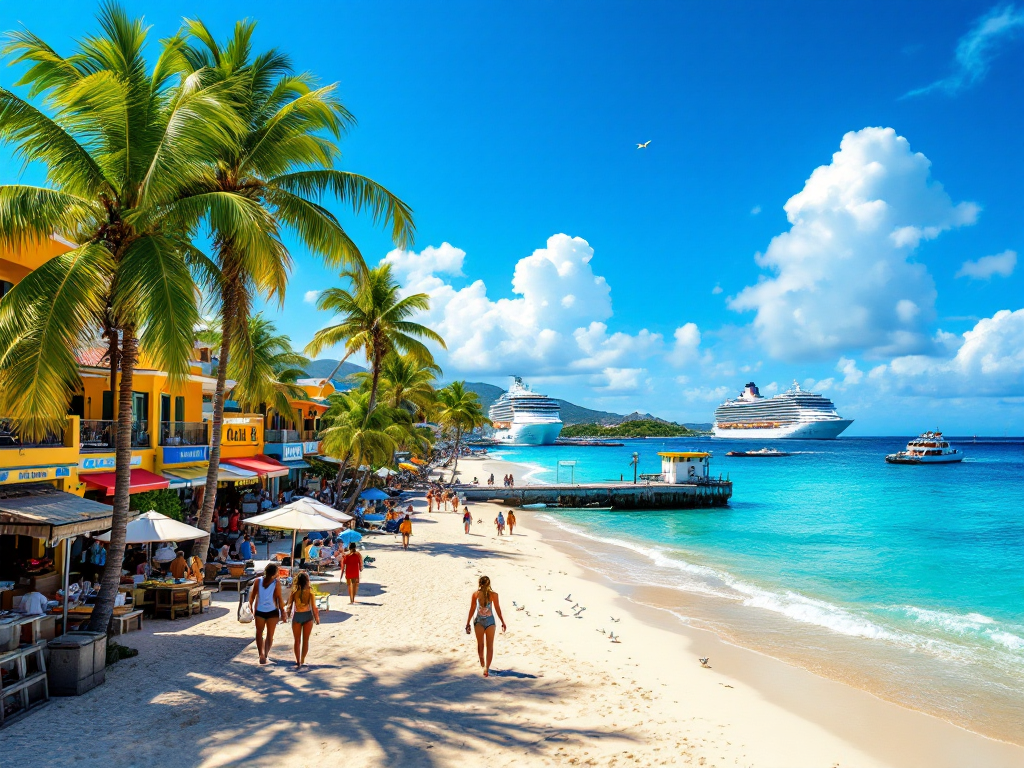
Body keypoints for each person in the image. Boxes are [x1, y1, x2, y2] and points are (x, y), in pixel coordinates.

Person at [464, 575, 506, 677]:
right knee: (490, 646)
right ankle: (486, 667)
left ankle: (482, 663)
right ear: (489, 584)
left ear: (480, 583)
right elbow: (497, 609)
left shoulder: (475, 594)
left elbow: (472, 609)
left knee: (480, 644)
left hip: (478, 622)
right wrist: (503, 622)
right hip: (490, 622)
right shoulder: (494, 595)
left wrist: (468, 622)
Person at [248, 563, 285, 665]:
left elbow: (252, 596)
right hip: (272, 611)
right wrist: (283, 611)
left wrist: (251, 607)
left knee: (259, 632)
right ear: (275, 573)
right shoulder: (276, 583)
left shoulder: (257, 581)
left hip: (260, 611)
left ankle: (261, 654)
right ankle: (266, 654)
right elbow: (279, 598)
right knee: (270, 635)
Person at [287, 571, 320, 669]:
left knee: (297, 641)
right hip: (307, 616)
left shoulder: (294, 591)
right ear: (307, 581)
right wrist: (317, 618)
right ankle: (302, 659)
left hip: (297, 616)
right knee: (306, 640)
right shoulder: (310, 591)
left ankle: (298, 661)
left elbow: (289, 605)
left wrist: (287, 615)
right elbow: (314, 607)